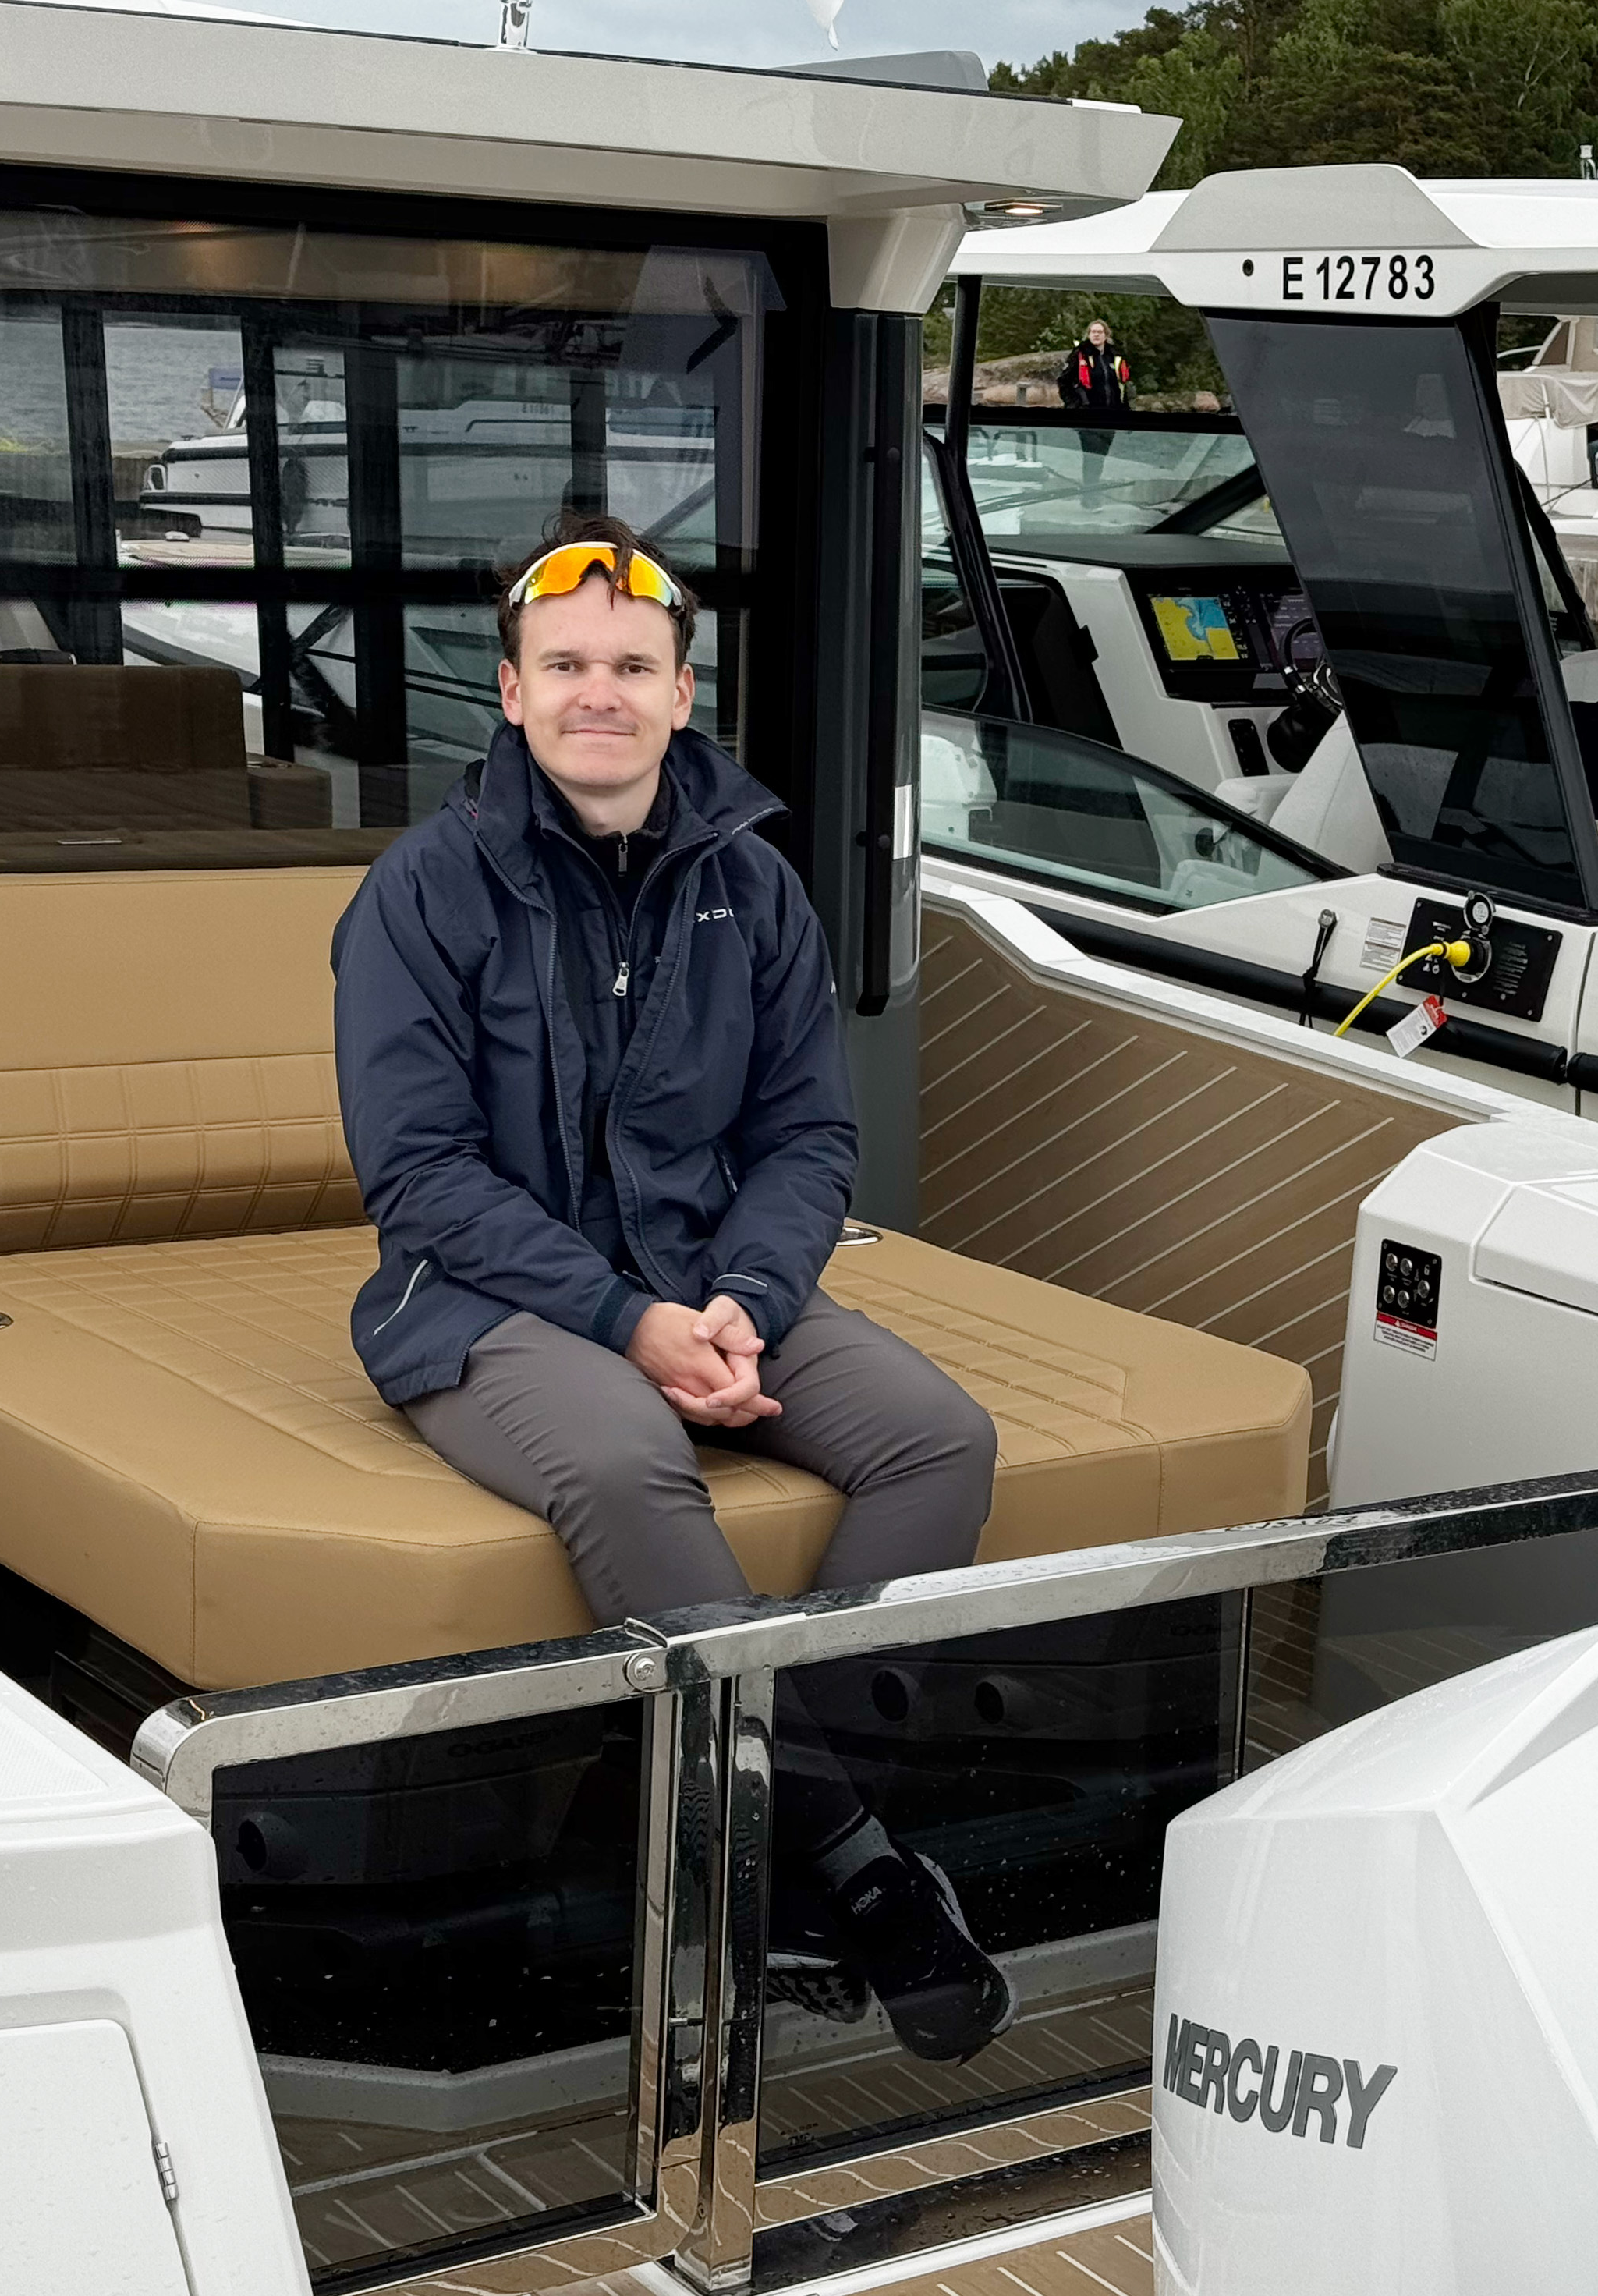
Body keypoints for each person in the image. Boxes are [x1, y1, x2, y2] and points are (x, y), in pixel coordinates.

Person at [331, 508, 1014, 2063]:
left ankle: (749, 1826)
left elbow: (806, 1134)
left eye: (633, 665)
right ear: (510, 690)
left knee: (938, 1438)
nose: (601, 692)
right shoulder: (422, 891)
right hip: (482, 1299)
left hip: (716, 1280)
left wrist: (748, 1299)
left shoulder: (753, 886)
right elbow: (419, 1173)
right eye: (566, 663)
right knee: (632, 1457)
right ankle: (844, 1857)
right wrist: (624, 1319)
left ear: (682, 691)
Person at [1058, 318, 1132, 414]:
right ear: (1089, 335)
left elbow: (1123, 385)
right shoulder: (1080, 355)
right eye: (1093, 332)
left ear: (1106, 335)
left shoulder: (1115, 356)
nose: (1096, 335)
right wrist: (1074, 404)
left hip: (1113, 410)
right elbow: (1063, 381)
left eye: (1100, 332)